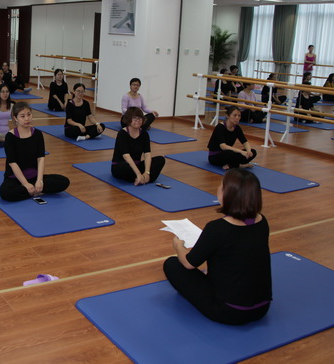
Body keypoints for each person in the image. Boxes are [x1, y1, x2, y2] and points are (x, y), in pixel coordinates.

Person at [163, 169, 272, 325]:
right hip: (262, 308)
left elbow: (189, 263)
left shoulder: (217, 228)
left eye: (221, 186)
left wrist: (178, 246)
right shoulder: (262, 221)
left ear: (228, 194)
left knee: (172, 264)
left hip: (229, 312)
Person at [0, 102, 70, 201]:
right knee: (5, 192)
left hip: (34, 177)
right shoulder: (10, 137)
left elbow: (41, 158)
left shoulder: (37, 134)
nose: (27, 119)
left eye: (29, 114)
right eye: (22, 116)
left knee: (63, 181)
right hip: (15, 178)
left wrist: (39, 180)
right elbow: (12, 163)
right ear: (15, 118)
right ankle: (33, 191)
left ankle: (32, 190)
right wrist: (25, 184)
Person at [111, 107, 165, 185]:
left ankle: (142, 178)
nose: (137, 121)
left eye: (140, 118)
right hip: (122, 166)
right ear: (129, 119)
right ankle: (139, 177)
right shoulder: (122, 134)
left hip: (136, 165)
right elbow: (126, 156)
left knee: (160, 160)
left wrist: (147, 172)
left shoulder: (144, 134)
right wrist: (138, 174)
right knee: (126, 168)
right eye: (134, 118)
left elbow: (147, 154)